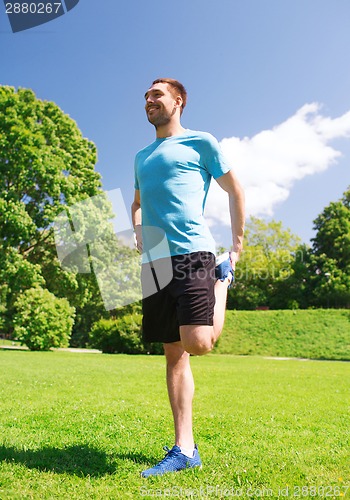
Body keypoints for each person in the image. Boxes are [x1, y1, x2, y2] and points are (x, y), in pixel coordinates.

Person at [131, 78, 245, 478]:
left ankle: (222, 280)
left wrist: (236, 244)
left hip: (195, 253)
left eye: (156, 94)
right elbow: (138, 203)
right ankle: (185, 448)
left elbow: (234, 191)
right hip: (157, 262)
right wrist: (139, 230)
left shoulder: (201, 142)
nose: (149, 100)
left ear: (178, 101)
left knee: (198, 343)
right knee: (173, 353)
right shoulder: (141, 156)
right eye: (146, 96)